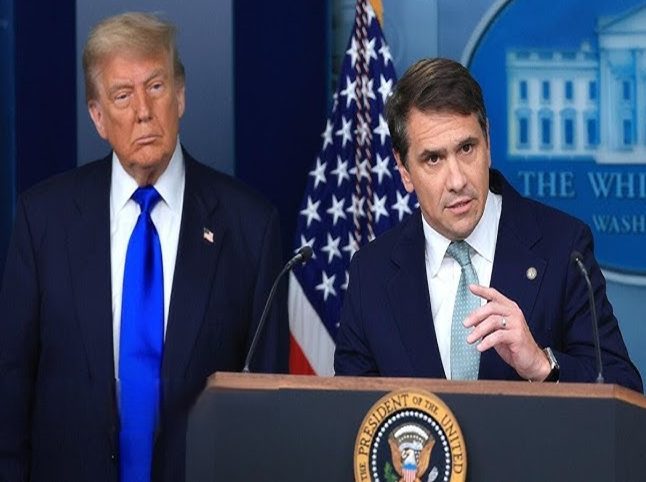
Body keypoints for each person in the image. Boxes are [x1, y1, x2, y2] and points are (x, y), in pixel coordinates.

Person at [0, 12, 287, 482]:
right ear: (98, 117)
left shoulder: (251, 228)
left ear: (180, 96)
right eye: (122, 95)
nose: (143, 111)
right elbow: (10, 394)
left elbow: (267, 418)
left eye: (155, 87)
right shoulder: (43, 220)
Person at [334, 58, 642, 392]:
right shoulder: (371, 273)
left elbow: (624, 389)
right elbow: (351, 413)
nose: (457, 180)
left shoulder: (564, 249)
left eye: (467, 148)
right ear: (404, 170)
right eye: (433, 159)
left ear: (488, 142)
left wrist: (542, 365)